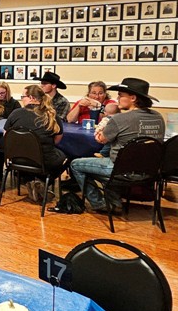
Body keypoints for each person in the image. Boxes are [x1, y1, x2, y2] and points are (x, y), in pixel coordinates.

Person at [70, 78, 165, 213]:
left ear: (132, 98)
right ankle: (114, 202)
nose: (117, 98)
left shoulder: (119, 119)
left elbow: (100, 139)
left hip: (120, 170)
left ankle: (100, 204)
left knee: (75, 164)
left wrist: (103, 125)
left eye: (120, 95)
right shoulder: (158, 117)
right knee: (105, 161)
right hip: (149, 171)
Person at [4, 85, 67, 202]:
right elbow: (57, 140)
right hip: (42, 160)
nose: (22, 99)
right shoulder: (52, 115)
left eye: (23, 97)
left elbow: (6, 136)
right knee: (64, 156)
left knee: (29, 153)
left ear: (31, 97)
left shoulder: (15, 113)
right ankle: (43, 182)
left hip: (17, 159)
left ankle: (31, 181)